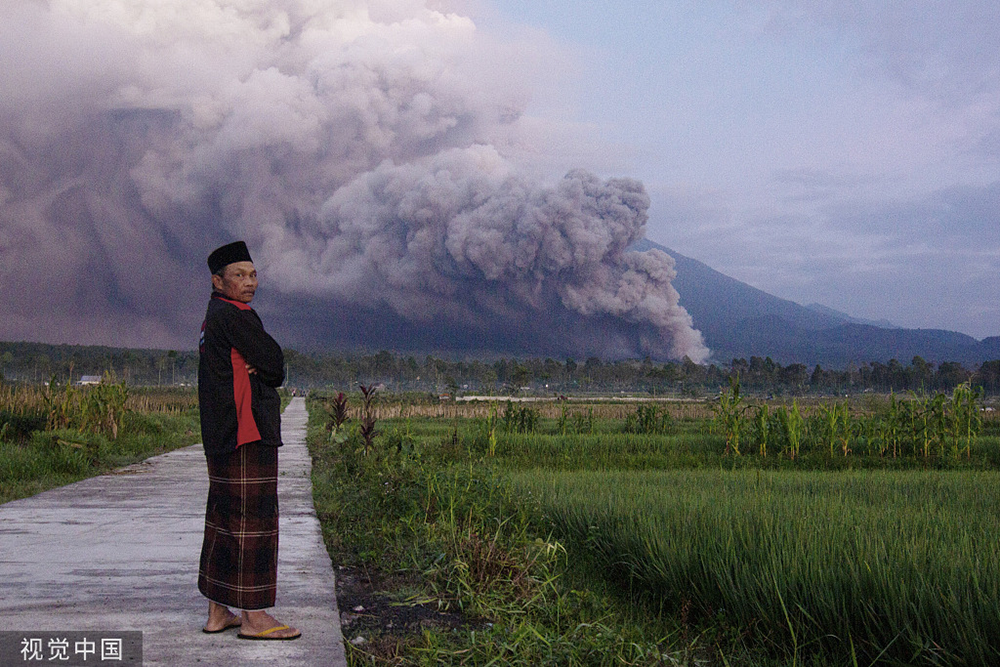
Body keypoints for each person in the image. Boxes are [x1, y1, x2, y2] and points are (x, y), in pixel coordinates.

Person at [197, 241, 300, 640]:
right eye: (238, 275)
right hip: (246, 434)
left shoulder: (212, 318)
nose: (249, 282)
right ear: (217, 280)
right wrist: (266, 363)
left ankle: (218, 613)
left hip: (222, 436)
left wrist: (264, 361)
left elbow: (268, 363)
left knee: (224, 522)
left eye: (253, 274)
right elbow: (275, 365)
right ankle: (255, 617)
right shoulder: (237, 317)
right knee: (253, 525)